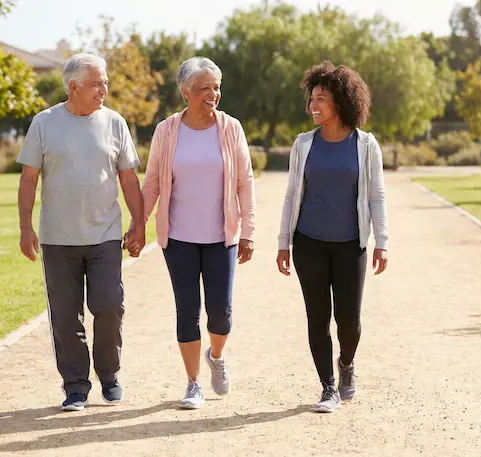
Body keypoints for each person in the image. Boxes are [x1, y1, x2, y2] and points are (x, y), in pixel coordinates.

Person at [17, 53, 145, 412]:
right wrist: (26, 227)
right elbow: (28, 179)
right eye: (97, 83)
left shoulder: (115, 122)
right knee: (65, 315)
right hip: (58, 238)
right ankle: (75, 386)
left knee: (109, 305)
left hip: (104, 235)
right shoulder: (44, 123)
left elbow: (129, 179)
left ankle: (109, 375)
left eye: (105, 82)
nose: (104, 88)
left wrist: (139, 223)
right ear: (74, 87)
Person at [135, 56, 256, 410]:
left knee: (220, 313)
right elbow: (153, 183)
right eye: (205, 88)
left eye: (216, 87)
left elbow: (244, 183)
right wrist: (138, 225)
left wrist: (248, 232)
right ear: (185, 91)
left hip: (222, 237)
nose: (213, 94)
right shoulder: (167, 130)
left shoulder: (231, 128)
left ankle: (216, 356)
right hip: (180, 238)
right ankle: (193, 384)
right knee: (187, 309)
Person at [276, 61, 389, 413]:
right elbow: (292, 194)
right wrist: (283, 241)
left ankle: (347, 365)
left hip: (350, 244)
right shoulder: (303, 144)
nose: (313, 104)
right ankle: (327, 387)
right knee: (317, 316)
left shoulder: (366, 145)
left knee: (349, 319)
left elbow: (376, 196)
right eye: (312, 98)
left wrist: (381, 240)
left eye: (320, 98)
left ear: (340, 101)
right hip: (309, 241)